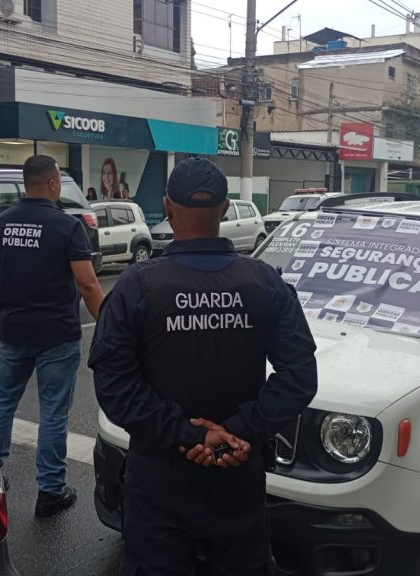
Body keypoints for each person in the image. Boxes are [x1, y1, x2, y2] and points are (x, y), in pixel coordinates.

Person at [89, 157, 318, 574]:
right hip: (238, 473)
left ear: (167, 207)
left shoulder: (137, 286)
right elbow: (300, 377)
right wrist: (238, 432)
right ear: (225, 209)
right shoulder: (263, 282)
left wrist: (187, 434)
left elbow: (114, 386)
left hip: (159, 479)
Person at [0, 154, 105, 518]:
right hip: (57, 334)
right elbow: (87, 283)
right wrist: (109, 324)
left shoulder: (0, 223)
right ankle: (50, 491)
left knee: (2, 403)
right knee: (53, 413)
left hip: (14, 330)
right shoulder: (67, 226)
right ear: (52, 183)